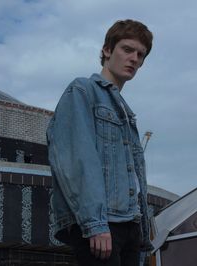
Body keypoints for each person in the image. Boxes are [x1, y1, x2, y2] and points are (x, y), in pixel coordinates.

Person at [47, 19, 153, 266]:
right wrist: (95, 224)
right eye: (127, 50)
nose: (134, 59)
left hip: (130, 225)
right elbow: (78, 159)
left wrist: (143, 232)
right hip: (103, 225)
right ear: (107, 50)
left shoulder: (125, 111)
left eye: (141, 55)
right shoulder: (83, 91)